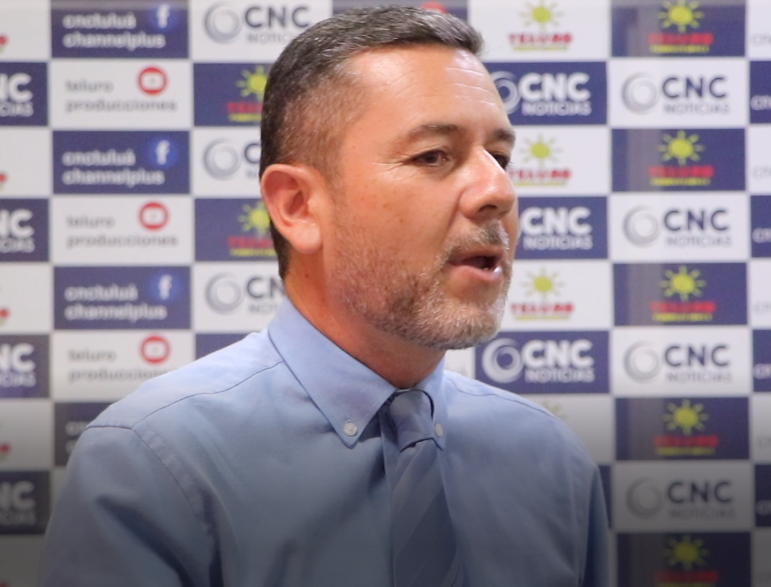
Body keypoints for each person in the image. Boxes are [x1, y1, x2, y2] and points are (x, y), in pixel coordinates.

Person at [38, 7, 608, 587]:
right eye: (433, 155)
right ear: (298, 207)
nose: (498, 191)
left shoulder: (555, 464)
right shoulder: (151, 463)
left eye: (501, 158)